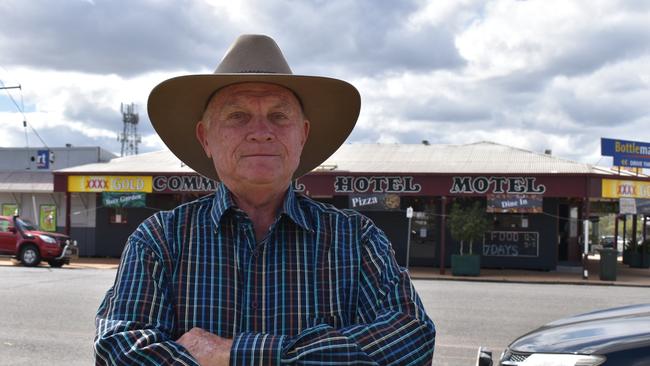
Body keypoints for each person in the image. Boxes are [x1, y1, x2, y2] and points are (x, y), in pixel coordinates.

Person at [94, 34, 435, 365]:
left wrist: (233, 354)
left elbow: (411, 341)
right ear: (205, 138)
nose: (261, 131)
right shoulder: (160, 239)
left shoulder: (356, 239)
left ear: (302, 135)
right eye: (237, 116)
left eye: (279, 116)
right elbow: (120, 349)